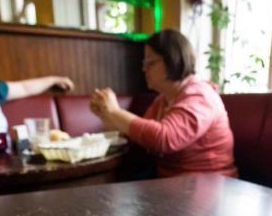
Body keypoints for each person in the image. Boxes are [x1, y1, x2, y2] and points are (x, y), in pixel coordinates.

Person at [89, 29, 237, 178]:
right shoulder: (163, 100)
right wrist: (106, 115)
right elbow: (142, 139)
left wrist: (115, 112)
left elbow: (164, 138)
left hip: (211, 185)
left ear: (173, 59)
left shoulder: (200, 95)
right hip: (174, 184)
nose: (144, 69)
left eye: (150, 62)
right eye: (144, 63)